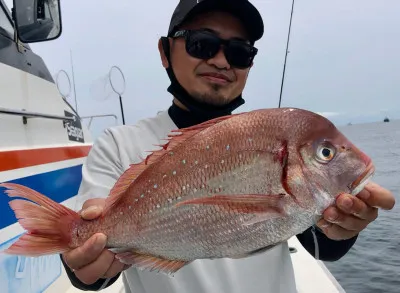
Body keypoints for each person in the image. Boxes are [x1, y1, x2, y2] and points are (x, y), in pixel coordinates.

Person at [60, 0, 396, 292]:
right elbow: (92, 275)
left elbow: (322, 244)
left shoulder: (273, 140)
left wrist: (343, 227)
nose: (222, 62)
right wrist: (86, 262)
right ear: (164, 51)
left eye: (239, 52)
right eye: (202, 44)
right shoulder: (118, 144)